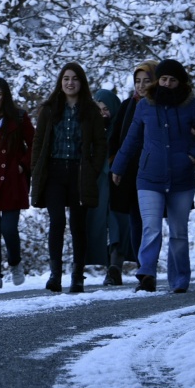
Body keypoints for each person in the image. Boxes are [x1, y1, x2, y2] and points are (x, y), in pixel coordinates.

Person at [112, 59, 195, 293]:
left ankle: (180, 279)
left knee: (178, 232)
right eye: (163, 79)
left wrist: (192, 158)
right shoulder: (145, 105)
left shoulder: (190, 105)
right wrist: (118, 167)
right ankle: (147, 274)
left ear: (180, 83)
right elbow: (132, 138)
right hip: (149, 177)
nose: (167, 83)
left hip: (182, 178)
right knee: (151, 227)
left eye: (172, 80)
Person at [30, 62, 107, 292]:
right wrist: (36, 168)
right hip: (53, 171)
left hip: (79, 172)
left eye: (74, 79)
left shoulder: (91, 110)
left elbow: (100, 144)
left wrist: (93, 168)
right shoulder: (50, 108)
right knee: (57, 222)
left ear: (81, 82)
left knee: (77, 224)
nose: (70, 83)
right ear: (60, 82)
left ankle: (77, 276)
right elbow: (38, 141)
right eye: (65, 79)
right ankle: (55, 275)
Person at [0, 78, 34, 288]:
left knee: (9, 228)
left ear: (6, 96)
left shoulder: (18, 117)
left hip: (12, 181)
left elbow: (34, 143)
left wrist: (22, 165)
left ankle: (15, 262)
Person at [106, 62, 156, 281]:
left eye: (147, 80)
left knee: (151, 222)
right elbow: (117, 138)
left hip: (156, 171)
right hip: (131, 173)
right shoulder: (128, 106)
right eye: (138, 81)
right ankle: (142, 267)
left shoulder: (163, 106)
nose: (142, 86)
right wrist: (115, 164)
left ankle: (150, 264)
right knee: (136, 220)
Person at [85, 89, 122, 283]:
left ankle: (115, 267)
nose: (102, 113)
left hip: (117, 182)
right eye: (98, 109)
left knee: (117, 223)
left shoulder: (121, 128)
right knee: (96, 223)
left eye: (106, 109)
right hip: (97, 183)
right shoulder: (90, 129)